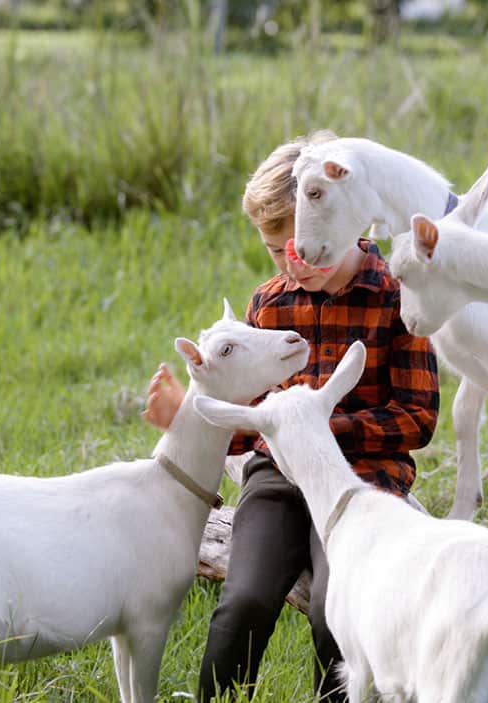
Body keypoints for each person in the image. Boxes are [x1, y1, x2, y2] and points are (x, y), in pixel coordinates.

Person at [142, 132, 439, 702]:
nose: (292, 262)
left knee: (336, 610)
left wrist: (320, 430)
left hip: (363, 484)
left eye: (300, 244)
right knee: (246, 598)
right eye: (276, 251)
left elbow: (417, 418)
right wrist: (191, 418)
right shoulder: (269, 303)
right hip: (278, 480)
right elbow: (247, 421)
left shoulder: (395, 295)